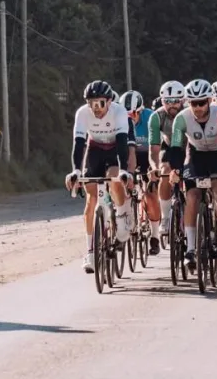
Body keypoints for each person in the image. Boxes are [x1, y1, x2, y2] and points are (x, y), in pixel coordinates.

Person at [164, 79, 217, 270]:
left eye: (201, 103)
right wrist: (176, 170)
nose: (197, 107)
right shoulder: (182, 118)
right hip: (195, 155)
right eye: (193, 103)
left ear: (210, 100)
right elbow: (177, 148)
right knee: (192, 195)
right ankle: (190, 249)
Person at [65, 81, 133, 273]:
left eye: (100, 104)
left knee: (114, 178)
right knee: (90, 199)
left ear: (109, 102)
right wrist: (76, 171)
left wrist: (123, 170)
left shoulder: (119, 113)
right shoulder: (82, 113)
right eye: (91, 104)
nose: (96, 109)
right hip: (94, 148)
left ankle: (121, 215)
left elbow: (122, 143)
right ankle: (90, 252)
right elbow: (78, 143)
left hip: (114, 149)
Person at [121, 90, 161, 255]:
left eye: (133, 114)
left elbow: (157, 148)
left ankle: (155, 235)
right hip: (129, 154)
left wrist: (155, 168)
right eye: (127, 114)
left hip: (148, 155)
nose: (130, 117)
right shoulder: (121, 121)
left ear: (141, 111)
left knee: (150, 195)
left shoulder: (151, 118)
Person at [148, 80, 185, 240]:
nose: (172, 105)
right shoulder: (157, 117)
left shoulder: (189, 112)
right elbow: (154, 149)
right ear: (162, 101)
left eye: (176, 101)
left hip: (191, 147)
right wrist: (154, 167)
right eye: (167, 101)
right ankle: (166, 217)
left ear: (183, 100)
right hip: (169, 147)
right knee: (164, 171)